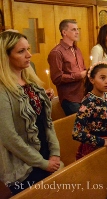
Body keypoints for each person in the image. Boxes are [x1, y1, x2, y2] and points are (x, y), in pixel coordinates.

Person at [0, 31, 62, 195]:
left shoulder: (31, 83)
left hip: (46, 155)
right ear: (6, 56)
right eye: (21, 51)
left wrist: (54, 153)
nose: (29, 55)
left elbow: (46, 121)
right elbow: (9, 137)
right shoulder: (2, 90)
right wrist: (42, 163)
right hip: (23, 166)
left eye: (28, 49)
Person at [73, 62, 107, 159]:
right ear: (92, 80)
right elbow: (77, 133)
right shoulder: (88, 102)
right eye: (102, 78)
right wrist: (103, 141)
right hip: (96, 148)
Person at [48, 19, 87, 116]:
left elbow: (83, 70)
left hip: (83, 94)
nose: (77, 32)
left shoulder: (77, 49)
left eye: (77, 29)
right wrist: (79, 75)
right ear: (64, 32)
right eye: (73, 29)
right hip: (70, 98)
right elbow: (57, 78)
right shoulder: (56, 52)